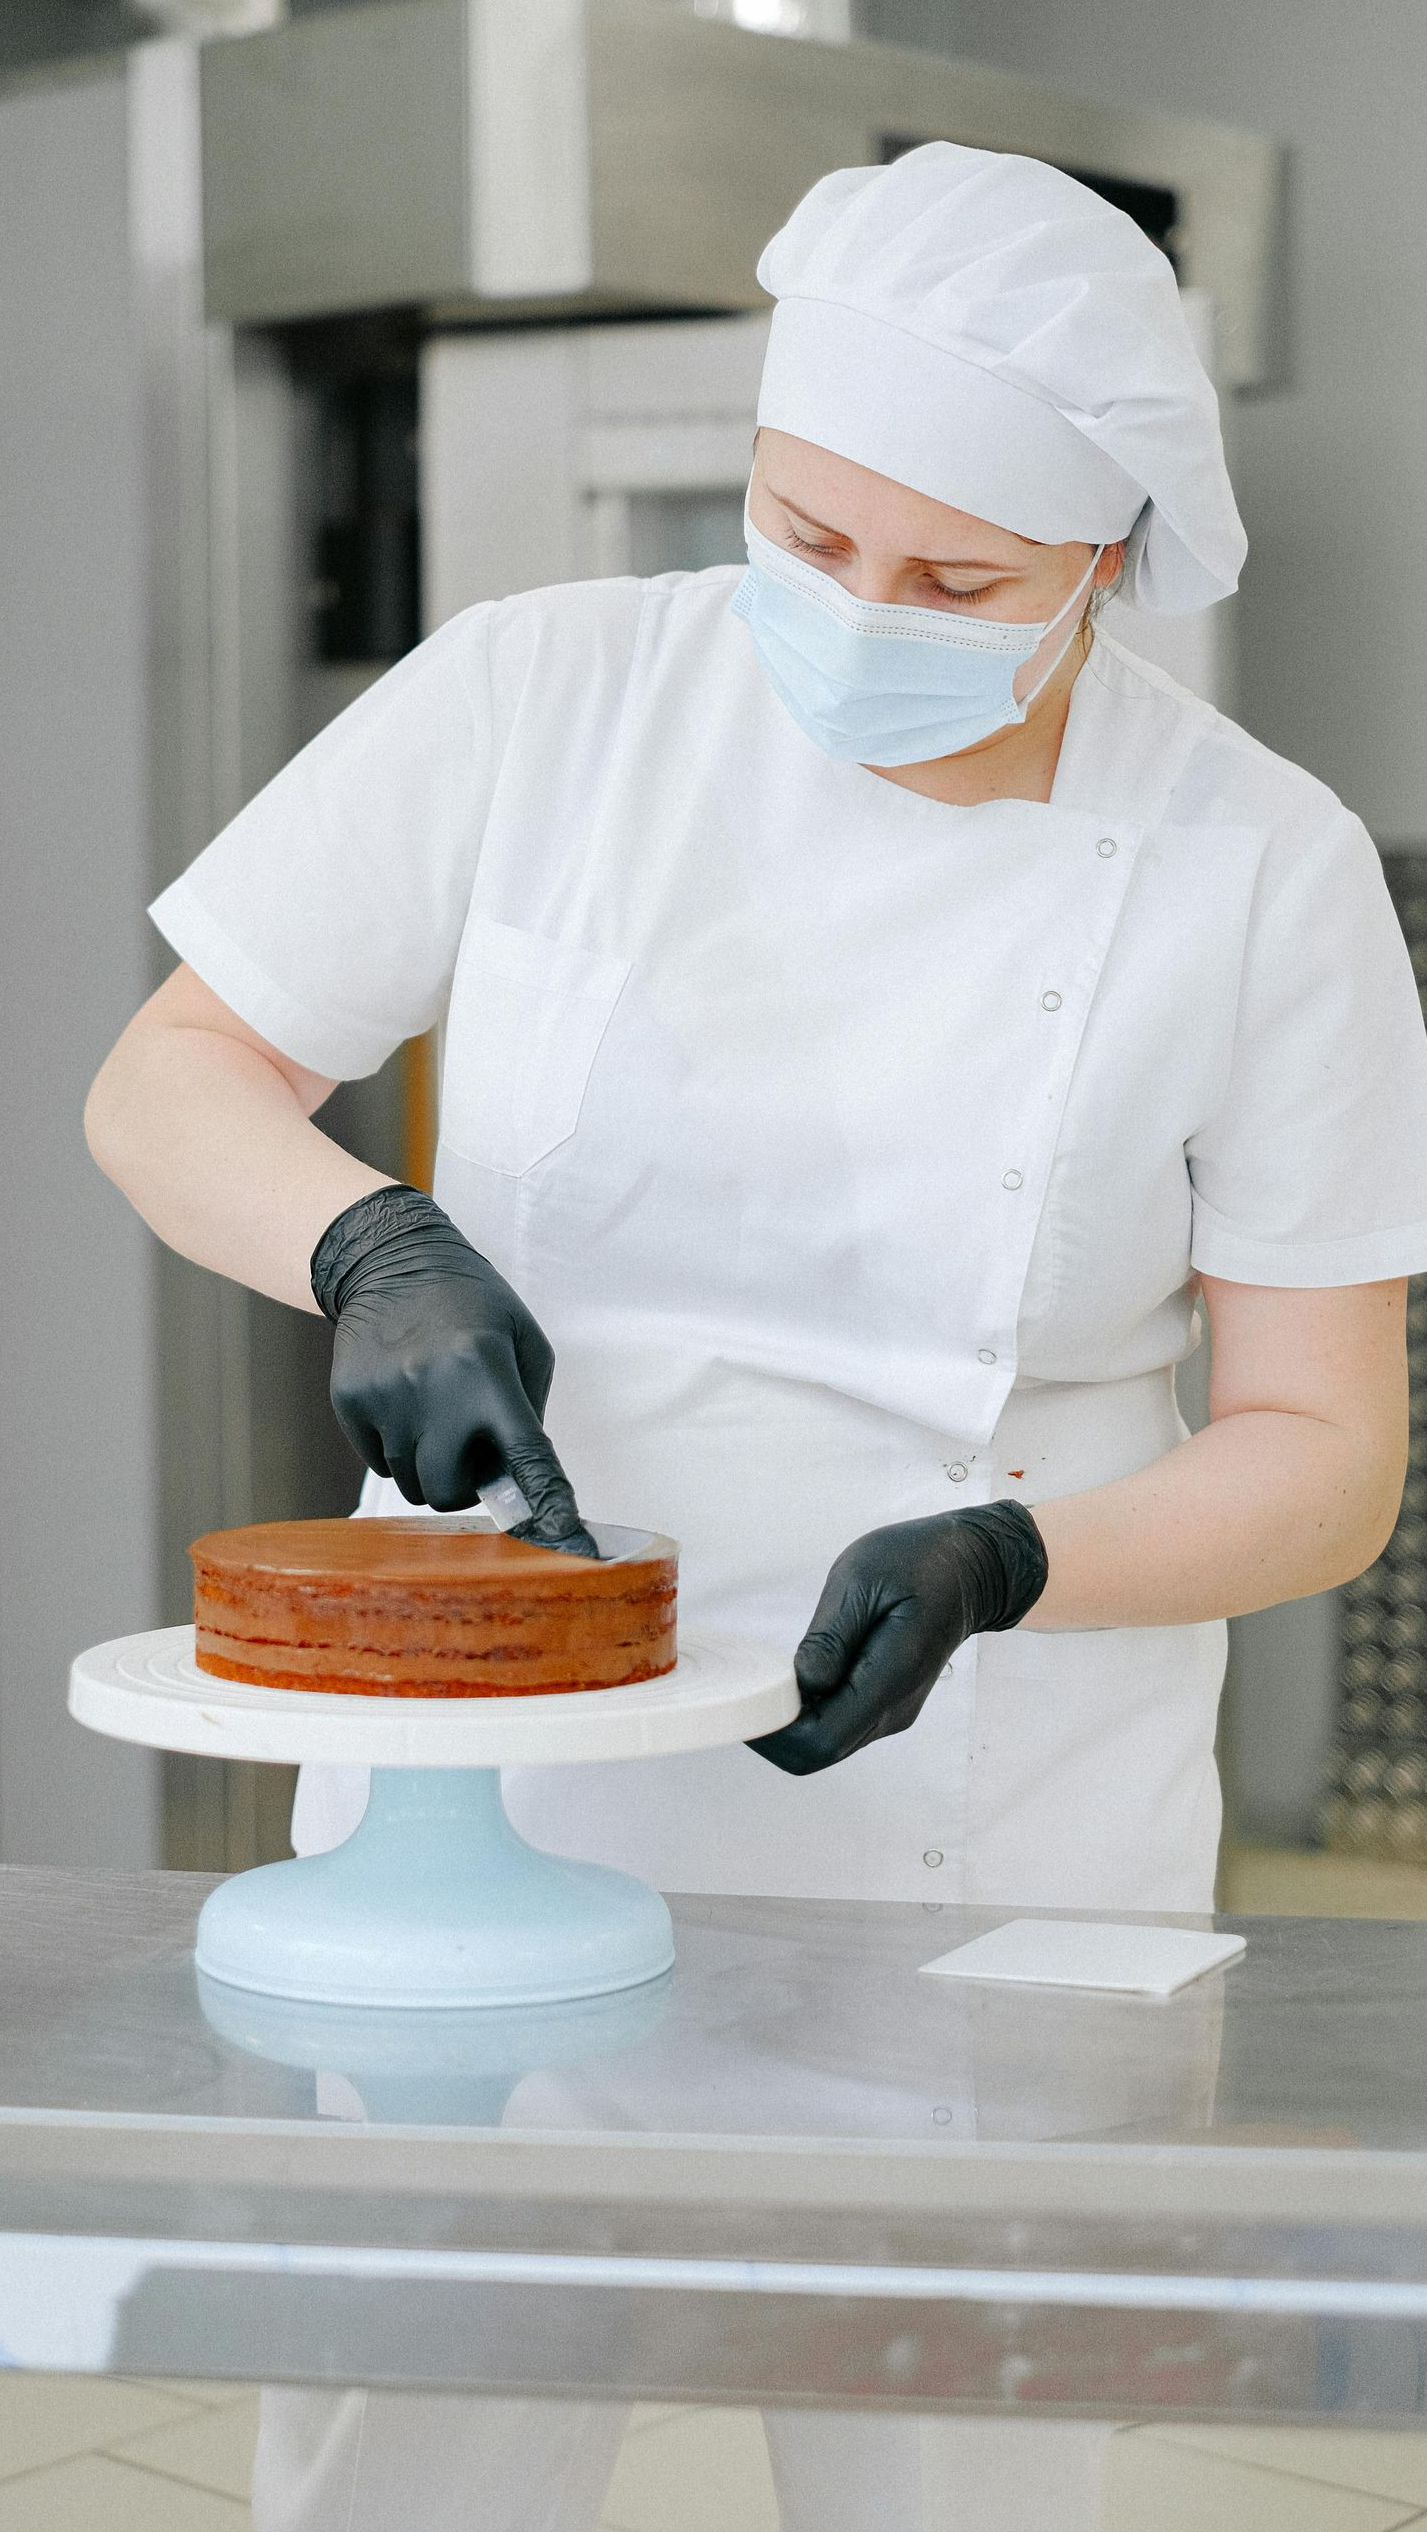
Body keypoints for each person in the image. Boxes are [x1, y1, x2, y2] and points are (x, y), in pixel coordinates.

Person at [86, 143, 1427, 2531]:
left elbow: (1323, 1447)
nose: (853, 611)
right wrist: (369, 1238)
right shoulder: (544, 695)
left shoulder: (1262, 865)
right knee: (413, 2463)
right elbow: (168, 1077)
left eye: (952, 580)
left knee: (954, 2482)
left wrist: (1012, 1559)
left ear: (1099, 564)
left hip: (980, 1822)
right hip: (484, 1803)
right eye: (804, 535)